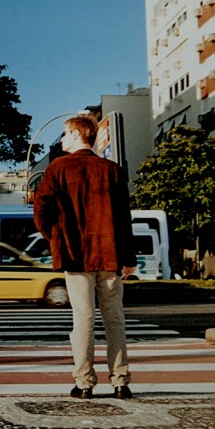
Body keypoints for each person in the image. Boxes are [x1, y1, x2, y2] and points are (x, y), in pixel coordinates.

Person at [33, 114, 137, 400]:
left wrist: (56, 238)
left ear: (78, 134)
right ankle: (120, 381)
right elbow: (123, 218)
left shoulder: (58, 169)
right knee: (115, 319)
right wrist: (129, 258)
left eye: (65, 134)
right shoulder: (112, 170)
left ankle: (85, 383)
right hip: (110, 255)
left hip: (76, 255)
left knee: (84, 319)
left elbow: (41, 209)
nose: (63, 139)